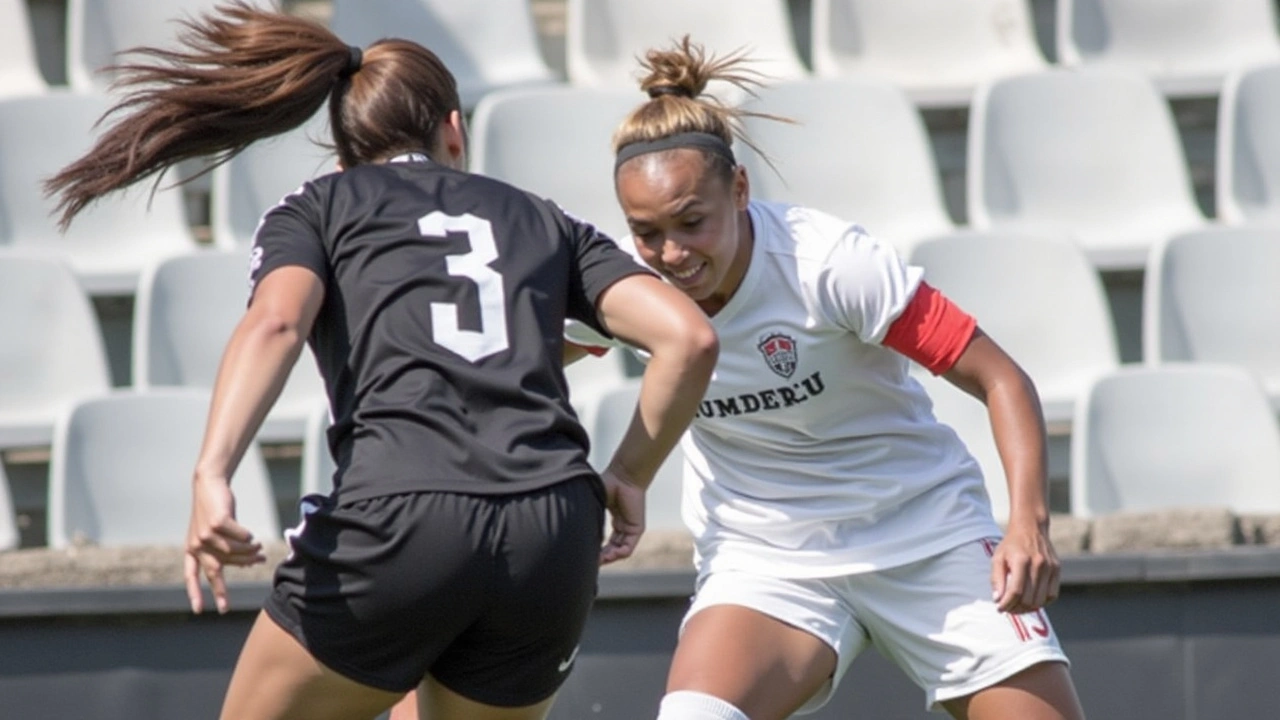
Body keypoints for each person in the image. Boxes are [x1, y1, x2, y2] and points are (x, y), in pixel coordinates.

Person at [44, 5, 719, 720]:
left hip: (400, 519)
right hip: (551, 528)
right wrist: (628, 477)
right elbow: (687, 338)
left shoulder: (319, 205)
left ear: (343, 154)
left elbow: (275, 322)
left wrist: (211, 473)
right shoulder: (539, 214)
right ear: (454, 131)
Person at [562, 38, 1088, 720]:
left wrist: (1028, 525)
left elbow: (1003, 380)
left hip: (927, 534)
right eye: (647, 233)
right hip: (768, 559)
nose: (672, 255)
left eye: (692, 222)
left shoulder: (830, 264)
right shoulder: (630, 287)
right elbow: (519, 361)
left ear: (741, 190)